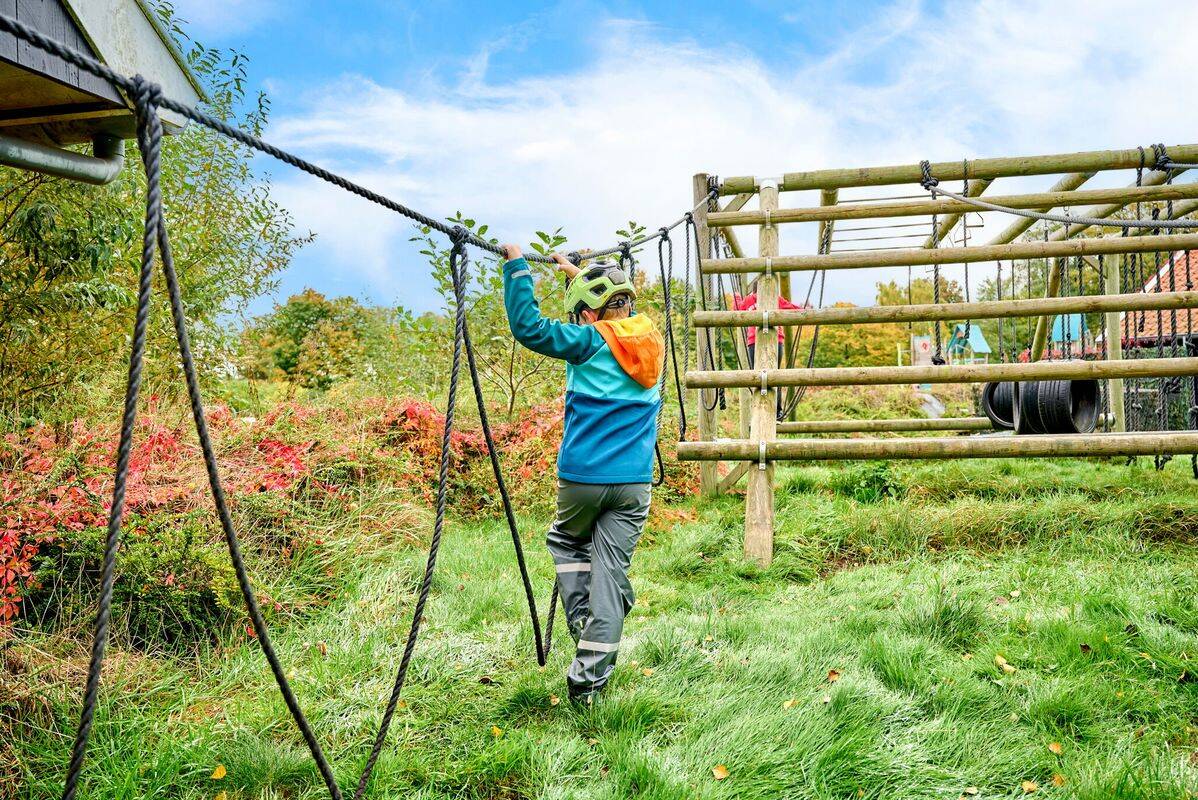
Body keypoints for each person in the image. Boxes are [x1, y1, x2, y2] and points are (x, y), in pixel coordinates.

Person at [500, 243, 663, 705]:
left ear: (589, 317)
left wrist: (516, 267)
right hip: (634, 485)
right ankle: (589, 682)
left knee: (567, 542)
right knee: (613, 576)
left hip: (582, 480)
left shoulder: (587, 342)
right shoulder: (649, 338)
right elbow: (616, 320)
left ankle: (582, 625)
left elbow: (528, 328)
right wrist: (577, 277)